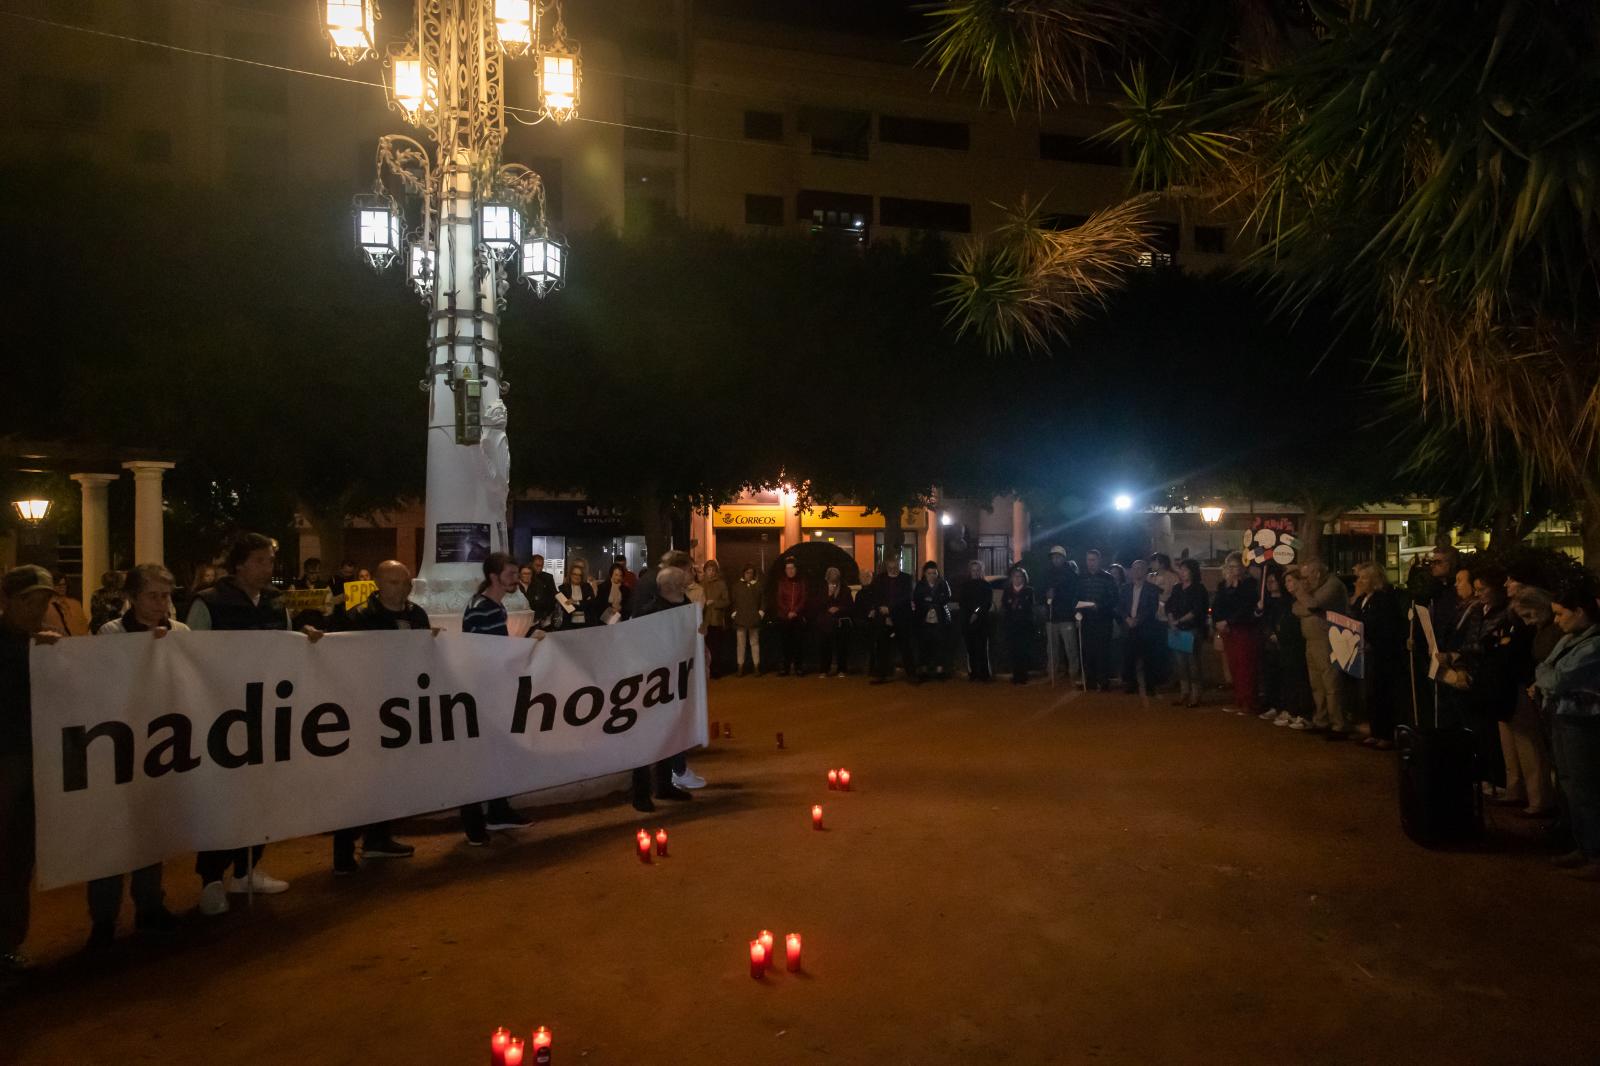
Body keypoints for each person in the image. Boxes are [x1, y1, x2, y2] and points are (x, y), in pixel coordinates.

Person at [186, 533, 311, 914]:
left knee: (261, 795)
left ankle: (247, 868)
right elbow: (190, 656)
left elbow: (287, 648)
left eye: (270, 561)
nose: (268, 568)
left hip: (266, 714)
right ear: (239, 564)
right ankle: (211, 878)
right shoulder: (208, 603)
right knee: (222, 799)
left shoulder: (275, 603)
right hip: (221, 717)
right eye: (259, 560)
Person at [84, 565, 185, 948]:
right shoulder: (111, 634)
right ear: (133, 597)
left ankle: (149, 905)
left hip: (163, 745)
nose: (161, 604)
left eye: (166, 595)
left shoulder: (182, 635)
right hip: (119, 745)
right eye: (153, 596)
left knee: (151, 827)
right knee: (110, 831)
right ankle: (104, 917)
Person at [330, 560, 430, 875]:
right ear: (377, 584)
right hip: (365, 708)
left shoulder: (417, 616)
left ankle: (378, 838)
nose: (402, 589)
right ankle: (343, 851)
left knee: (390, 775)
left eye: (405, 583)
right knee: (357, 781)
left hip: (400, 708)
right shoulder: (358, 617)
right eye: (394, 582)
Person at [1, 565, 65, 977]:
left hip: (35, 757)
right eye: (30, 600)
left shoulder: (47, 645)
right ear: (8, 601)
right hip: (8, 760)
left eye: (43, 600)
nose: (38, 607)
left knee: (18, 854)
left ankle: (8, 944)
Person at [459, 552, 532, 844]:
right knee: (481, 758)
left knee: (498, 755)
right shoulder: (484, 609)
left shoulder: (491, 608)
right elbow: (488, 653)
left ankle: (498, 810)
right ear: (494, 577)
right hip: (484, 693)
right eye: (511, 575)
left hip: (492, 691)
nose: (516, 579)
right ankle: (476, 821)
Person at [1535, 585, 1600, 880]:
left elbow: (1556, 677)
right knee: (1569, 783)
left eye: (1561, 614)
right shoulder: (1572, 639)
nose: (1557, 621)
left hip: (1581, 722)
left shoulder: (1593, 646)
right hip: (1563, 717)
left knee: (1584, 787)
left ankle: (1594, 853)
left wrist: (1545, 677)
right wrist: (1546, 676)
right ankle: (1583, 846)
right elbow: (1547, 668)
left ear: (1580, 612)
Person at [631, 566, 700, 811]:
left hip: (674, 680)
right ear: (671, 586)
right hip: (653, 683)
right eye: (683, 582)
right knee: (645, 739)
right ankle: (640, 793)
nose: (687, 585)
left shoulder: (681, 607)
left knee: (668, 734)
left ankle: (663, 784)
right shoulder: (650, 613)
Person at [1503, 587, 1559, 817]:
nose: (1527, 622)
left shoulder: (1552, 632)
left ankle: (1544, 801)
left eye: (1529, 615)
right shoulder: (1539, 629)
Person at [1350, 562, 1407, 750]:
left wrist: (1371, 640)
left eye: (1364, 578)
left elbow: (1386, 626)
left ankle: (1386, 733)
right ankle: (1376, 730)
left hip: (1382, 654)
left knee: (1383, 692)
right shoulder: (1364, 599)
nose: (1359, 581)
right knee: (1371, 693)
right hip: (1367, 652)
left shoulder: (1384, 600)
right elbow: (1354, 616)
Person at [1294, 559, 1352, 739]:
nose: (1304, 581)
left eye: (1306, 576)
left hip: (1328, 639)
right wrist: (1307, 604)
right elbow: (1296, 609)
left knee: (1331, 683)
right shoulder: (1315, 587)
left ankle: (1338, 724)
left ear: (1317, 574)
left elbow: (1312, 605)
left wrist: (1301, 592)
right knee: (1317, 683)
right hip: (1312, 640)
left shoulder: (1332, 586)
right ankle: (1322, 719)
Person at [1212, 557, 1262, 716]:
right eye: (1230, 566)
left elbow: (1246, 607)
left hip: (1243, 628)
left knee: (1245, 666)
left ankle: (1249, 701)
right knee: (1233, 665)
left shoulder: (1249, 585)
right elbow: (1217, 605)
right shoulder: (1223, 586)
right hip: (1228, 630)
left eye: (1236, 566)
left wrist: (1229, 620)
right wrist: (1218, 621)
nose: (1233, 569)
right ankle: (1239, 699)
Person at [1267, 569, 1315, 729]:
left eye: (1291, 581)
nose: (1288, 584)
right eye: (1286, 581)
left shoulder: (1302, 599)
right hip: (1286, 645)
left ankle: (1304, 713)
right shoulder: (1288, 600)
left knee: (1300, 680)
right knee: (1289, 679)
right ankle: (1292, 709)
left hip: (1297, 645)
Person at [1166, 559, 1209, 707]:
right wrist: (1172, 621)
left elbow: (1197, 610)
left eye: (1185, 570)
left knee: (1193, 663)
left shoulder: (1199, 589)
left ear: (1193, 571)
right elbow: (1169, 605)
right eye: (1181, 570)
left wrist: (1178, 621)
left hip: (1192, 629)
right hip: (1177, 629)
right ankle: (1184, 692)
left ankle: (1196, 694)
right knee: (1180, 663)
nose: (1182, 573)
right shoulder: (1177, 588)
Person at [868, 554, 917, 684]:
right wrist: (883, 611)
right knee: (882, 647)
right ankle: (881, 674)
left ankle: (911, 674)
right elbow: (877, 596)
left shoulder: (906, 578)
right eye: (890, 567)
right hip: (883, 617)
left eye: (895, 567)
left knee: (905, 646)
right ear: (887, 567)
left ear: (899, 565)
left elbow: (905, 597)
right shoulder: (880, 579)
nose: (893, 569)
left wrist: (890, 609)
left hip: (901, 617)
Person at [1118, 559, 1162, 696]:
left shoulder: (1153, 589)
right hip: (1128, 627)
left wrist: (1137, 620)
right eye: (1135, 569)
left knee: (1148, 658)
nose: (1137, 571)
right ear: (1131, 571)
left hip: (1145, 628)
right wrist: (1127, 619)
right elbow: (1119, 606)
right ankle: (1131, 684)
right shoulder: (1125, 588)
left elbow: (1152, 608)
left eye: (1141, 568)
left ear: (1145, 571)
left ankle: (1150, 686)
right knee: (1128, 657)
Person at [1077, 549, 1119, 692]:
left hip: (1103, 620)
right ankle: (1090, 682)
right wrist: (1078, 611)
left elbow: (1114, 599)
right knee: (1087, 652)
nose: (1090, 563)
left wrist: (1099, 607)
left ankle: (1104, 682)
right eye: (1088, 560)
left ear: (1099, 560)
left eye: (1093, 560)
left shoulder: (1108, 578)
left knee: (1102, 652)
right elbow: (1075, 598)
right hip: (1086, 620)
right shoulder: (1081, 578)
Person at [1040, 546, 1081, 684]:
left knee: (1071, 647)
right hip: (1052, 616)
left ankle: (1073, 673)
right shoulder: (1047, 573)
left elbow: (1075, 595)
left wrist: (1058, 595)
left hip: (1067, 616)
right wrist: (1046, 596)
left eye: (1058, 557)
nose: (1055, 559)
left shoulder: (1071, 574)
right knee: (1051, 648)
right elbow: (1041, 592)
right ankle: (1052, 673)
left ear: (1063, 558)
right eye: (1053, 557)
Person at [913, 561, 953, 680]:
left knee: (940, 644)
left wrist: (932, 601)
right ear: (925, 574)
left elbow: (947, 597)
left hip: (940, 617)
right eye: (929, 573)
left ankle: (939, 670)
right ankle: (924, 670)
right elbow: (917, 599)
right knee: (924, 644)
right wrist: (929, 603)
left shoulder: (943, 584)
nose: (932, 576)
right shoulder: (920, 585)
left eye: (934, 573)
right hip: (924, 618)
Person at [814, 566, 854, 677]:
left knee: (841, 645)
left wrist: (839, 609)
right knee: (824, 646)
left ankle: (842, 669)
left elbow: (850, 606)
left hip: (840, 621)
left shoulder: (845, 590)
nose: (833, 581)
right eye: (831, 578)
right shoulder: (822, 590)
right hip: (825, 622)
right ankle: (824, 670)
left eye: (835, 578)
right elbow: (817, 605)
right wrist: (829, 595)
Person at [958, 559, 994, 682]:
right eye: (973, 570)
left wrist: (976, 612)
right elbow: (962, 602)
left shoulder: (986, 585)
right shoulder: (965, 585)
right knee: (971, 649)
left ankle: (985, 674)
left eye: (977, 570)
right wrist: (970, 613)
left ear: (981, 571)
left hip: (982, 622)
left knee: (983, 649)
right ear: (970, 571)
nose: (975, 572)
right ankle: (973, 673)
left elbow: (986, 603)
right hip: (968, 622)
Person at [1001, 566, 1036, 684]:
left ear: (1024, 578)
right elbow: (1004, 606)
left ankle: (1023, 675)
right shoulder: (1007, 591)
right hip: (1011, 625)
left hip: (1024, 625)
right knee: (1013, 650)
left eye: (1020, 576)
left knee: (1023, 651)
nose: (1017, 579)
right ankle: (1016, 675)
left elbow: (1031, 608)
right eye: (1015, 576)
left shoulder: (1029, 591)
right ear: (1012, 578)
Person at [775, 557, 808, 677]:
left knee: (798, 644)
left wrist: (795, 611)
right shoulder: (781, 582)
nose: (790, 570)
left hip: (797, 617)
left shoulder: (801, 582)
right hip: (784, 617)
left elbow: (803, 598)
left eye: (792, 568)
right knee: (785, 644)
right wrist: (788, 611)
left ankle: (799, 667)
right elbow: (779, 599)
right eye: (788, 568)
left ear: (796, 569)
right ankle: (785, 667)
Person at [730, 563, 764, 676]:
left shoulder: (758, 586)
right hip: (740, 618)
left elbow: (763, 601)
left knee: (754, 643)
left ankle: (756, 666)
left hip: (754, 618)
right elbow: (733, 600)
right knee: (741, 644)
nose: (749, 575)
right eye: (747, 572)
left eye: (751, 573)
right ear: (743, 573)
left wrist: (760, 613)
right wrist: (734, 613)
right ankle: (740, 666)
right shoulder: (737, 586)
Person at [699, 559, 731, 678]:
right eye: (709, 570)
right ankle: (705, 670)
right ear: (705, 571)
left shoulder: (721, 584)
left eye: (713, 570)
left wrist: (715, 603)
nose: (711, 572)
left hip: (716, 620)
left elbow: (727, 601)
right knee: (705, 647)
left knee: (716, 647)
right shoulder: (701, 584)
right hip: (704, 621)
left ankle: (716, 670)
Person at [521, 555, 559, 631]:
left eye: (541, 565)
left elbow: (553, 596)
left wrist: (546, 614)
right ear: (531, 564)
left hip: (544, 613)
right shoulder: (525, 580)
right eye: (537, 565)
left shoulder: (548, 577)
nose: (540, 568)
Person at [562, 559, 603, 628]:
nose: (577, 576)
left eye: (579, 574)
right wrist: (583, 604)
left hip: (586, 623)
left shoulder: (587, 586)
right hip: (568, 623)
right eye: (575, 574)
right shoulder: (564, 587)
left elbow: (592, 603)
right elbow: (564, 606)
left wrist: (576, 602)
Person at [48, 571, 90, 636]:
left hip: (78, 641)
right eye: (58, 585)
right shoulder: (46, 606)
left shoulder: (75, 604)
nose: (62, 587)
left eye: (64, 584)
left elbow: (84, 624)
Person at [88, 570, 126, 634]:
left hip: (117, 628)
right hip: (99, 627)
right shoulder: (97, 594)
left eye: (113, 585)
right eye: (109, 585)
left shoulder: (121, 594)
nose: (111, 589)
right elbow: (95, 612)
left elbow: (122, 612)